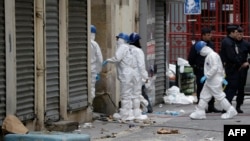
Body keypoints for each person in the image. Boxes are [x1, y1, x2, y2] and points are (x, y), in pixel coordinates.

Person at [189, 41, 237, 120]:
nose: (200, 53)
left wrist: (206, 76)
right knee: (204, 96)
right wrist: (221, 77)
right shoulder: (211, 55)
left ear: (202, 50)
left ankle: (230, 110)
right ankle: (200, 111)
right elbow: (219, 67)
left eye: (199, 52)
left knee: (219, 96)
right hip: (211, 80)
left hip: (213, 80)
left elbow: (215, 68)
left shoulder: (212, 55)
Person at [103, 32, 136, 121]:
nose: (117, 41)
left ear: (122, 39)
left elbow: (117, 58)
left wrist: (107, 60)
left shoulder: (122, 47)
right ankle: (128, 113)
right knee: (128, 94)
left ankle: (124, 115)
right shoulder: (128, 48)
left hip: (126, 73)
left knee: (125, 94)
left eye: (118, 39)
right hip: (129, 72)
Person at [188, 27, 220, 113]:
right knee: (201, 88)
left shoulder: (211, 44)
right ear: (203, 35)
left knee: (212, 87)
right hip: (201, 70)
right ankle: (201, 106)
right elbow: (191, 58)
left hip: (210, 70)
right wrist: (196, 66)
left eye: (211, 34)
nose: (210, 36)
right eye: (208, 35)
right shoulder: (197, 45)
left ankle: (211, 106)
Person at [219, 24, 243, 106]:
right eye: (236, 32)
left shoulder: (232, 41)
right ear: (231, 33)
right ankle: (226, 105)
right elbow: (232, 56)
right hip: (231, 68)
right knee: (232, 87)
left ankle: (226, 105)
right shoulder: (228, 42)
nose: (237, 34)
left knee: (230, 87)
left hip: (233, 68)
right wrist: (239, 62)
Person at [129, 32, 152, 118]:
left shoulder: (126, 49)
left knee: (127, 95)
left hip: (126, 75)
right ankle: (136, 113)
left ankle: (129, 113)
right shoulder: (138, 51)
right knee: (136, 94)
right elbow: (141, 66)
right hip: (136, 75)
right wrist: (146, 78)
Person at [235, 26, 250, 113]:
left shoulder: (246, 44)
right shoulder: (231, 42)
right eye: (238, 34)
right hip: (233, 68)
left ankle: (238, 105)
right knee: (231, 87)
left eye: (241, 34)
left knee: (241, 88)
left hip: (243, 68)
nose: (239, 36)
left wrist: (248, 62)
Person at [90, 25, 103, 101]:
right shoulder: (95, 44)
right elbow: (100, 59)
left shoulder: (82, 42)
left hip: (82, 70)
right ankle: (90, 108)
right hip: (92, 70)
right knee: (91, 88)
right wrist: (98, 71)